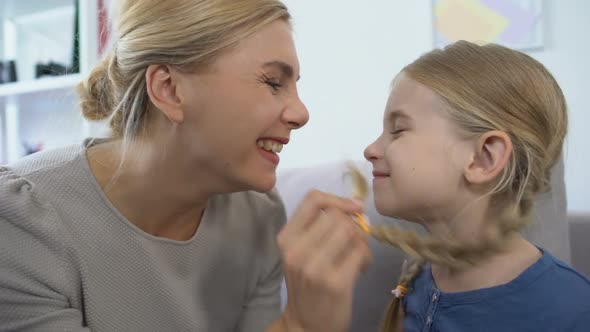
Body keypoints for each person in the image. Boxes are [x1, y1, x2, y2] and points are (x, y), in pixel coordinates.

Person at [0, 0, 370, 331]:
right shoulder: (21, 224)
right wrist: (299, 325)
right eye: (273, 82)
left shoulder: (260, 216)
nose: (301, 113)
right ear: (169, 89)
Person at [362, 40, 590, 331]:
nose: (370, 149)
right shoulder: (417, 277)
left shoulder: (572, 310)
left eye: (398, 130)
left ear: (484, 158)